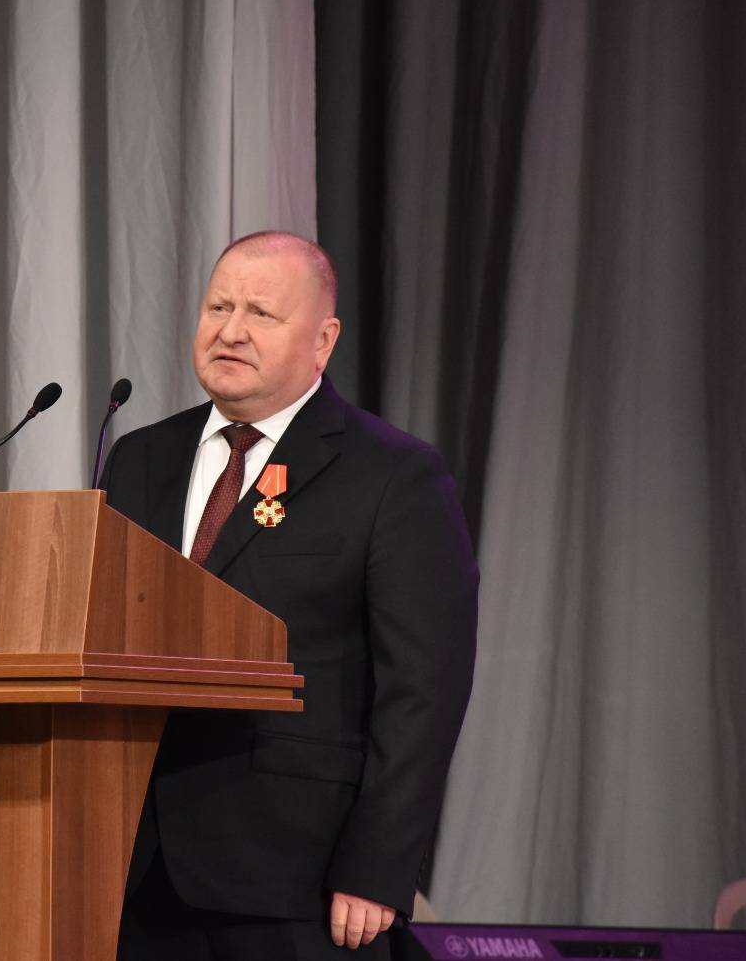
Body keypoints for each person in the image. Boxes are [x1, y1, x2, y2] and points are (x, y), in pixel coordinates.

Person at [101, 231, 478, 960]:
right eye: (218, 307)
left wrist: (378, 866)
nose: (230, 331)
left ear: (323, 340)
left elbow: (424, 692)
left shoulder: (392, 475)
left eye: (261, 314)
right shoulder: (140, 457)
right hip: (135, 869)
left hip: (299, 878)